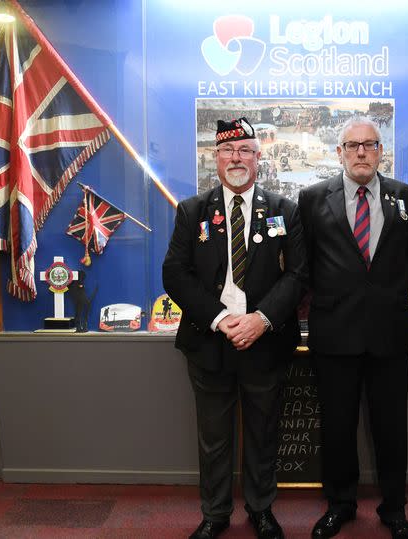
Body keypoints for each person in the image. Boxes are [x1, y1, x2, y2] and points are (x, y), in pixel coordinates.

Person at [163, 117, 306, 539]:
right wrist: (222, 319)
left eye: (245, 150)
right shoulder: (192, 212)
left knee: (263, 435)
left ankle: (261, 510)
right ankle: (215, 513)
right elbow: (175, 274)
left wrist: (260, 320)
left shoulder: (285, 210)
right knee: (214, 439)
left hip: (264, 342)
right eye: (228, 150)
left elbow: (299, 274)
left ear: (259, 158)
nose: (236, 158)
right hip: (210, 341)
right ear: (215, 157)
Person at [298, 116, 408, 539]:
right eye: (352, 145)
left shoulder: (406, 197)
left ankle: (394, 509)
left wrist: (385, 295)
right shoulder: (312, 199)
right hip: (334, 333)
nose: (361, 152)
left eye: (370, 145)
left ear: (380, 151)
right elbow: (304, 265)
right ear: (339, 153)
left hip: (389, 333)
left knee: (391, 427)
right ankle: (340, 505)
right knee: (337, 428)